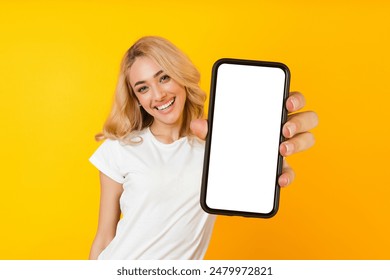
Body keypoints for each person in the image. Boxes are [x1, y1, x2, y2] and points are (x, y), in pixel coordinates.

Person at [88, 36, 318, 260]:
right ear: (136, 98)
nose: (158, 95)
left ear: (180, 76)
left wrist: (268, 157)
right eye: (143, 88)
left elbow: (251, 185)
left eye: (164, 77)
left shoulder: (217, 149)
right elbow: (104, 238)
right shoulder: (120, 148)